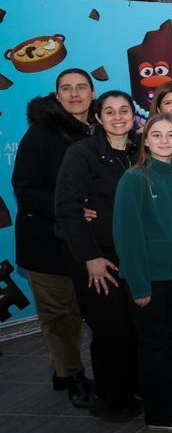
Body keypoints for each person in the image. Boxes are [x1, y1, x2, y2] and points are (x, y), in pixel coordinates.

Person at [112, 114, 172, 431]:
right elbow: (128, 236)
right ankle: (163, 414)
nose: (164, 140)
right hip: (148, 279)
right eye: (157, 135)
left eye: (171, 135)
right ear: (146, 141)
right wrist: (139, 285)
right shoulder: (135, 179)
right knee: (153, 346)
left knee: (167, 342)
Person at [54, 90, 140, 419]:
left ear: (133, 115)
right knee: (109, 329)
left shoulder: (138, 152)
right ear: (98, 117)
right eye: (110, 111)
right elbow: (66, 209)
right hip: (96, 258)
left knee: (133, 326)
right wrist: (90, 258)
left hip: (131, 254)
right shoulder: (82, 153)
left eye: (124, 111)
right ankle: (110, 400)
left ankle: (133, 388)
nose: (118, 117)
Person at [13, 67, 95, 408]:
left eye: (81, 87)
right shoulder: (41, 133)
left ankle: (62, 369)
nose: (74, 94)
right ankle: (73, 377)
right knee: (58, 314)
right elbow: (25, 188)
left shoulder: (103, 128)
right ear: (57, 95)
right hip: (47, 243)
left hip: (87, 243)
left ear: (92, 93)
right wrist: (69, 208)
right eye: (67, 88)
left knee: (76, 311)